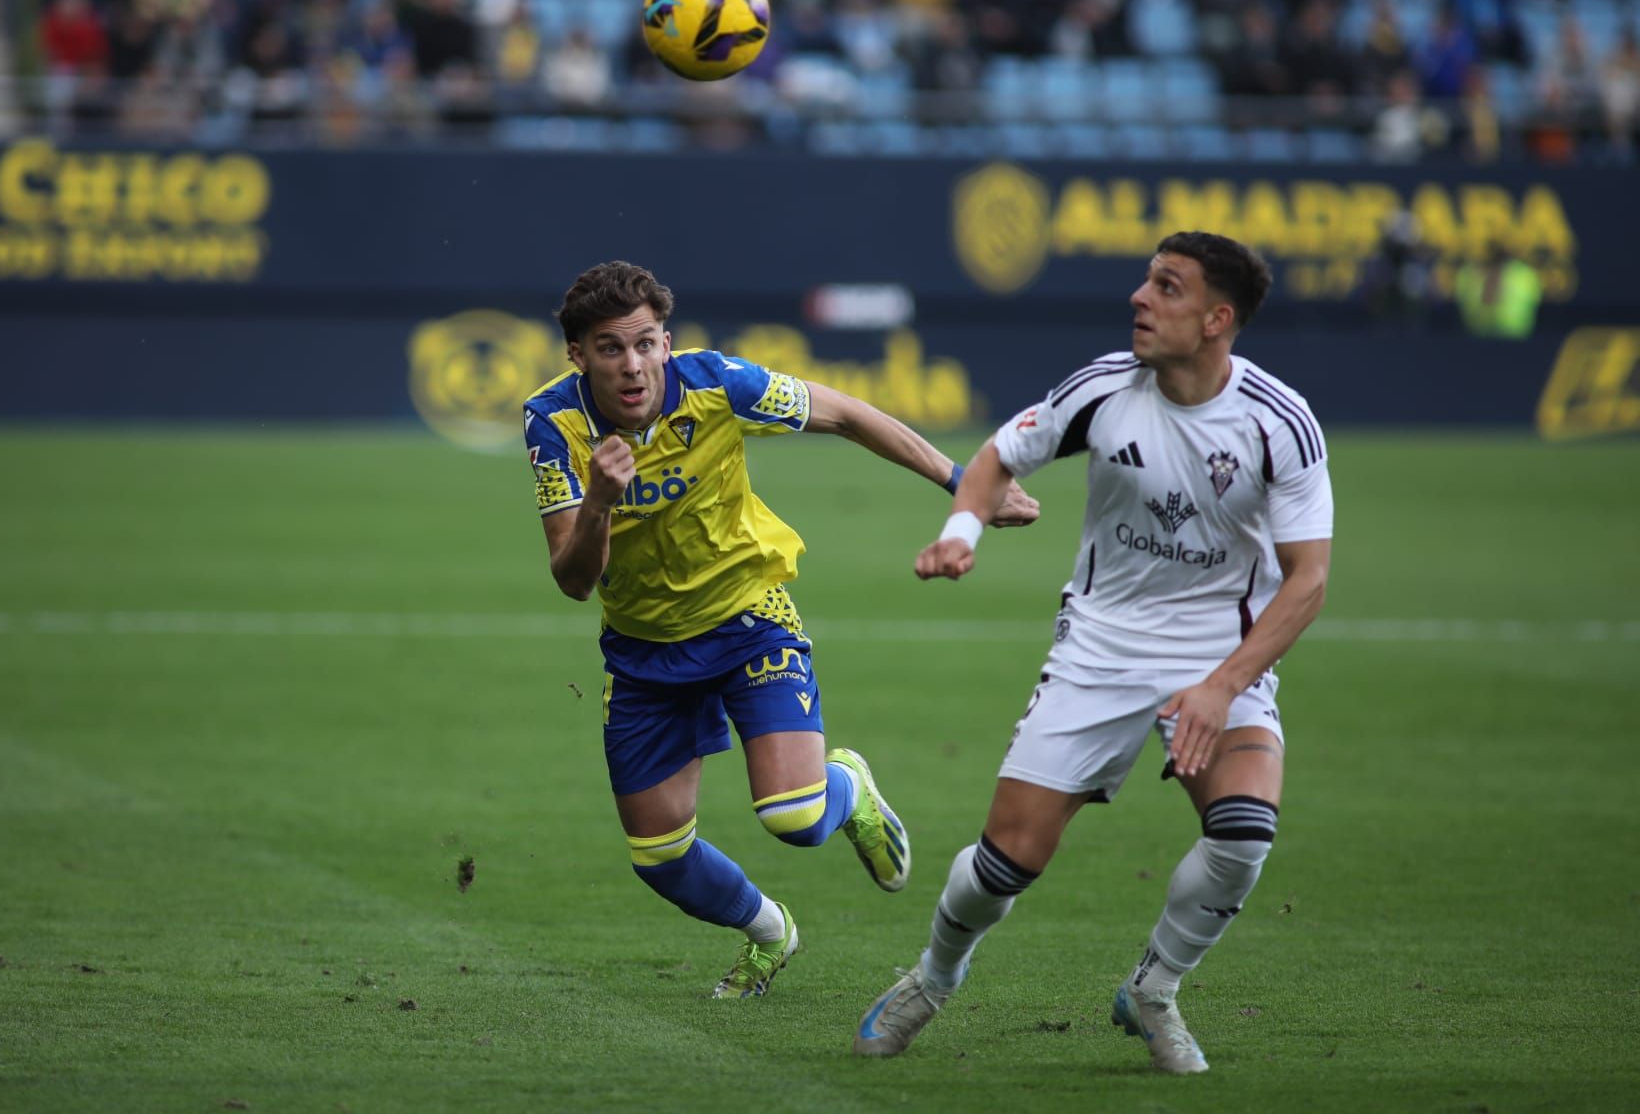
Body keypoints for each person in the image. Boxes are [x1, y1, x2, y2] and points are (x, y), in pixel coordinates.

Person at [852, 232, 1333, 1074]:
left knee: (1244, 832)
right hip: (1101, 650)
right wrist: (962, 531)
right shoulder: (1104, 391)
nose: (1140, 299)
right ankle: (933, 977)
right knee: (1005, 864)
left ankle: (1153, 990)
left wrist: (1222, 685)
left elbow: (1308, 580)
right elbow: (1001, 454)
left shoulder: (1278, 423)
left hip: (1220, 656)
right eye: (1147, 281)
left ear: (1219, 319)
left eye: (1168, 289)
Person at [526, 261, 1039, 999]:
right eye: (610, 348)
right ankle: (770, 933)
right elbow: (574, 581)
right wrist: (601, 502)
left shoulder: (717, 383)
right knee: (659, 858)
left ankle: (848, 787)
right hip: (643, 651)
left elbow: (849, 415)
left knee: (795, 816)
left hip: (747, 616)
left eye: (644, 343)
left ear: (666, 343)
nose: (632, 365)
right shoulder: (554, 425)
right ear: (577, 356)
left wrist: (964, 483)